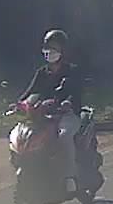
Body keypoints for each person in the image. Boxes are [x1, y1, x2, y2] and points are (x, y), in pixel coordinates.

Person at [20, 29, 83, 192]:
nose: (50, 51)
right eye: (47, 47)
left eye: (54, 47)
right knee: (25, 135)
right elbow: (31, 91)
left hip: (67, 115)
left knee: (64, 136)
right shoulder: (42, 72)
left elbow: (75, 92)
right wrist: (19, 103)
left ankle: (70, 176)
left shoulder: (72, 70)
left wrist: (68, 103)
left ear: (63, 50)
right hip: (45, 115)